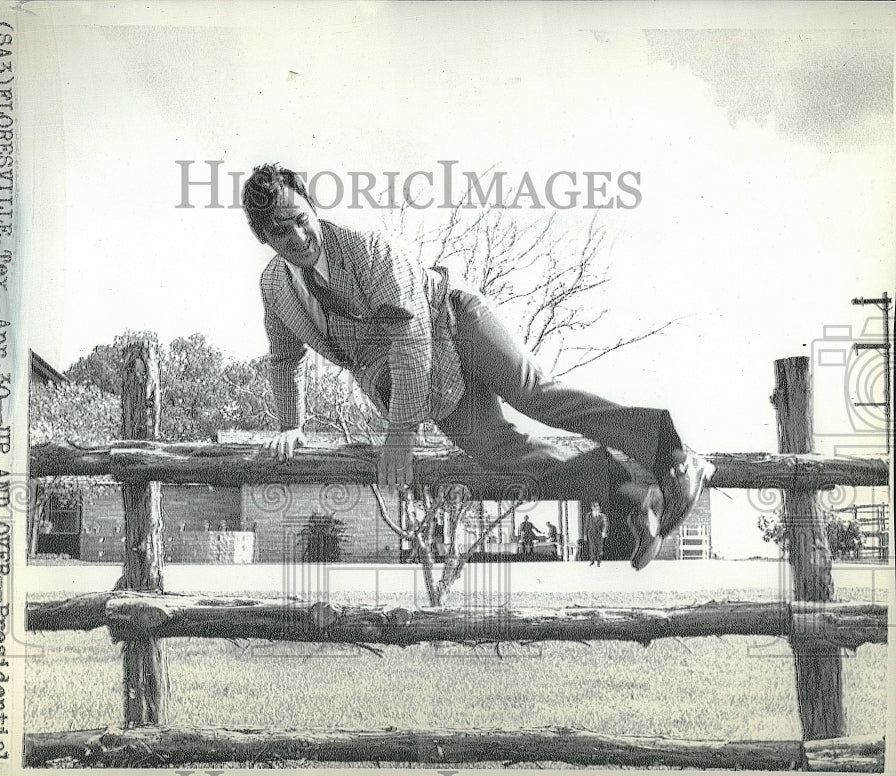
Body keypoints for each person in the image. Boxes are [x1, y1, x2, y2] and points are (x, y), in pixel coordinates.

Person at [243, 164, 714, 571]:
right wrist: (290, 425)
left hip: (455, 323)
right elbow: (286, 357)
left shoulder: (367, 249)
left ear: (311, 204)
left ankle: (672, 454)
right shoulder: (275, 287)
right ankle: (630, 496)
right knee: (501, 453)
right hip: (433, 384)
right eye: (282, 233)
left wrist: (401, 432)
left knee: (535, 394)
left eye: (301, 221)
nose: (299, 238)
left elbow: (410, 334)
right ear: (264, 239)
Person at [584, 501, 609, 567]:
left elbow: (605, 524)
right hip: (591, 533)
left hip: (599, 533)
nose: (598, 508)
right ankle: (592, 560)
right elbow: (586, 525)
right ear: (593, 507)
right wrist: (585, 535)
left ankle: (598, 560)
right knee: (592, 547)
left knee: (599, 547)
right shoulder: (589, 515)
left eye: (598, 506)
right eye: (596, 506)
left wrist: (604, 532)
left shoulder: (602, 515)